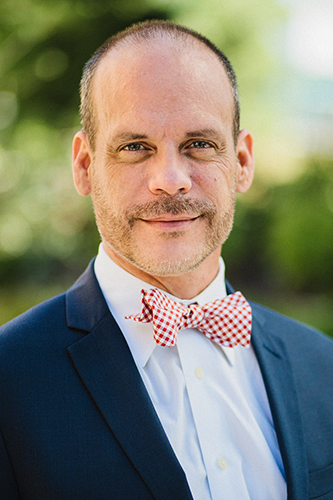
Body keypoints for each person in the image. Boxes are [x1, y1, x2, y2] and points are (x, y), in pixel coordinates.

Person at [0, 20, 332, 500]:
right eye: (135, 148)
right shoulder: (9, 382)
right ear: (85, 166)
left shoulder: (321, 365)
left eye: (199, 144)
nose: (171, 179)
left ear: (241, 162)